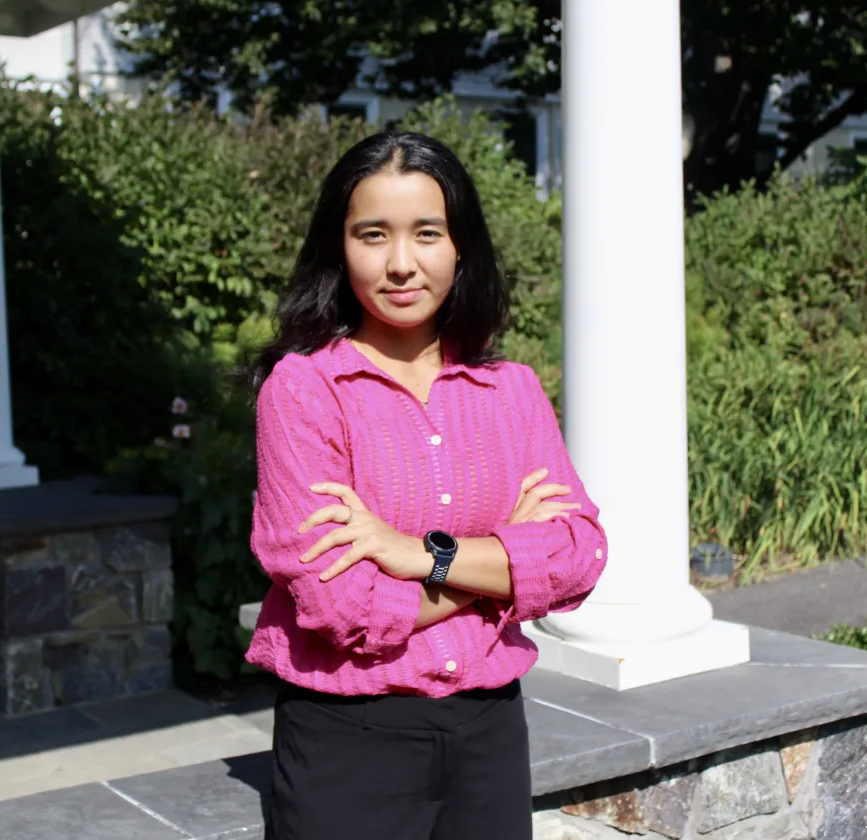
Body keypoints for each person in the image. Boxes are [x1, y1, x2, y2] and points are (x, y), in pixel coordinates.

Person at [247, 131, 608, 840]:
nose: (401, 264)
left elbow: (578, 556)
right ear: (339, 247)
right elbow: (339, 605)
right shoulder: (305, 391)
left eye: (427, 234)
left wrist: (418, 553)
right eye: (373, 235)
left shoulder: (511, 390)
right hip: (349, 742)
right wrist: (499, 564)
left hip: (490, 732)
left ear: (461, 246)